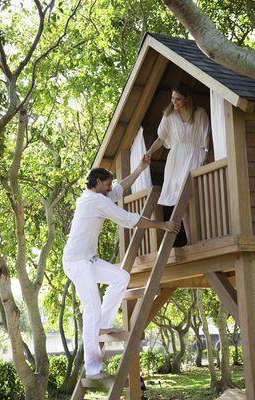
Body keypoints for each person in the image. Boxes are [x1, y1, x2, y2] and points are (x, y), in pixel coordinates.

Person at [62, 157, 180, 380]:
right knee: (92, 309)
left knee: (120, 277)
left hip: (88, 260)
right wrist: (161, 225)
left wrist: (140, 169)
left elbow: (119, 190)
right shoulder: (94, 201)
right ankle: (93, 369)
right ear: (97, 182)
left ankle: (103, 326)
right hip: (76, 262)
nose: (109, 188)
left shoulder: (96, 196)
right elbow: (129, 219)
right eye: (106, 184)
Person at [145, 83, 210, 244]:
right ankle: (190, 239)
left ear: (187, 98)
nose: (175, 102)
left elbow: (206, 137)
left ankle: (203, 236)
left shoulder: (199, 113)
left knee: (195, 197)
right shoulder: (169, 115)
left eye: (178, 99)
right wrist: (149, 152)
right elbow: (161, 138)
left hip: (195, 156)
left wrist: (206, 157)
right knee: (182, 200)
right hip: (176, 160)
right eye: (173, 98)